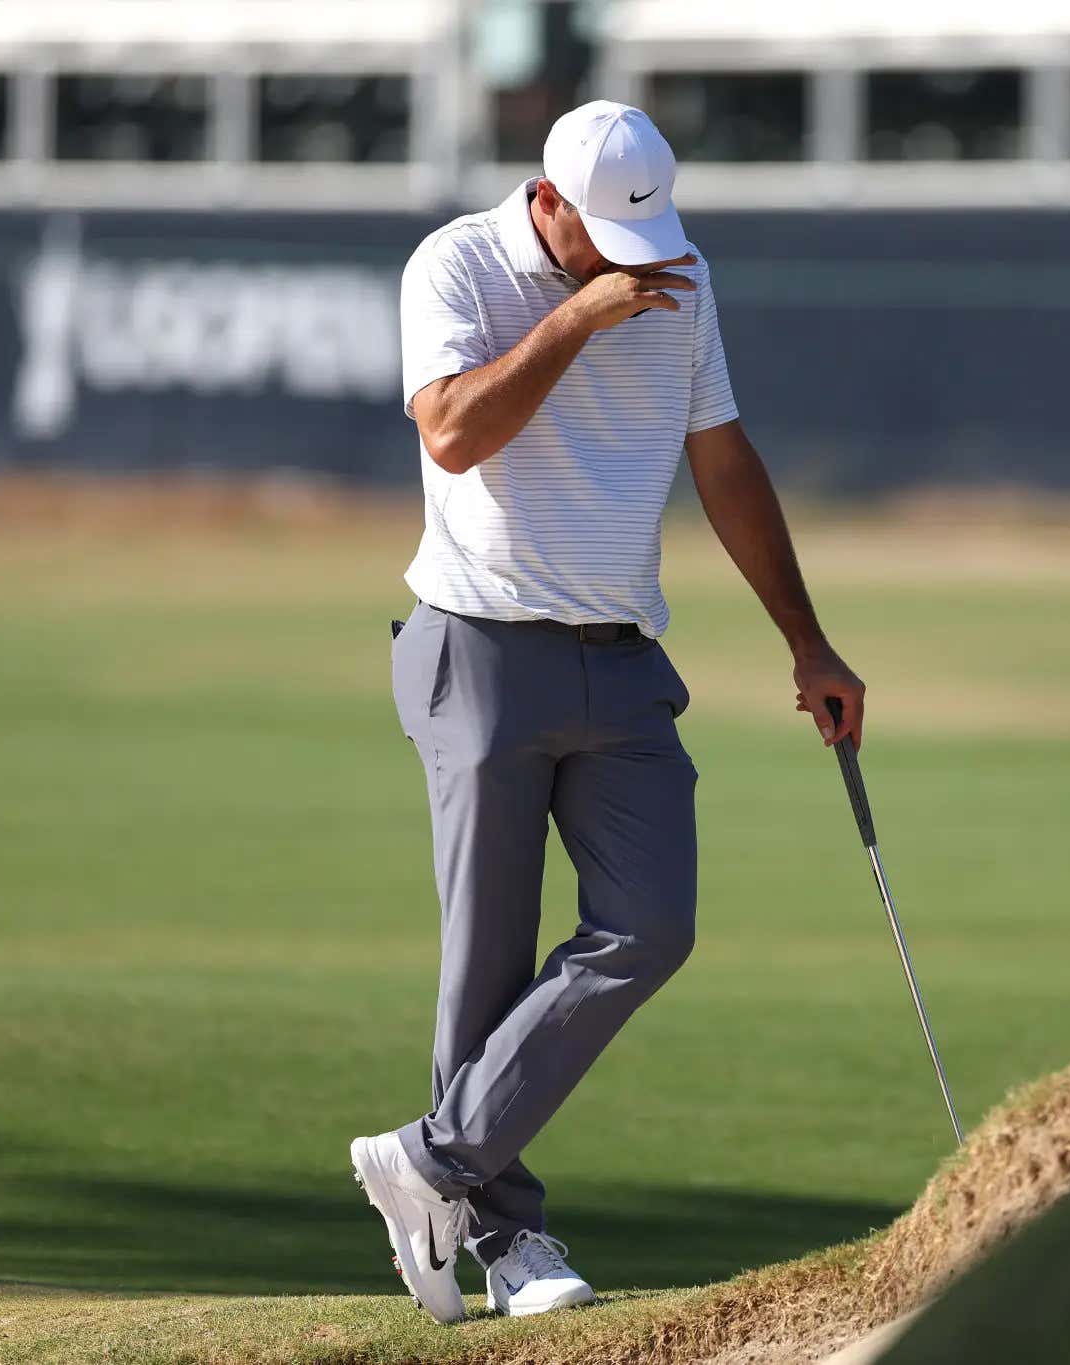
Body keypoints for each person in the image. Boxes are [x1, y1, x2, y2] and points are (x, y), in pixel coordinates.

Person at [348, 100, 865, 1323]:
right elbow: (456, 434)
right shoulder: (458, 265)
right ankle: (507, 1239)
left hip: (623, 657)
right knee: (485, 966)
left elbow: (722, 458)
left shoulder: (676, 276)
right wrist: (576, 320)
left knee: (649, 925)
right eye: (603, 246)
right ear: (550, 200)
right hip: (477, 647)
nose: (634, 268)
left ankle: (427, 1162)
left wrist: (807, 639)